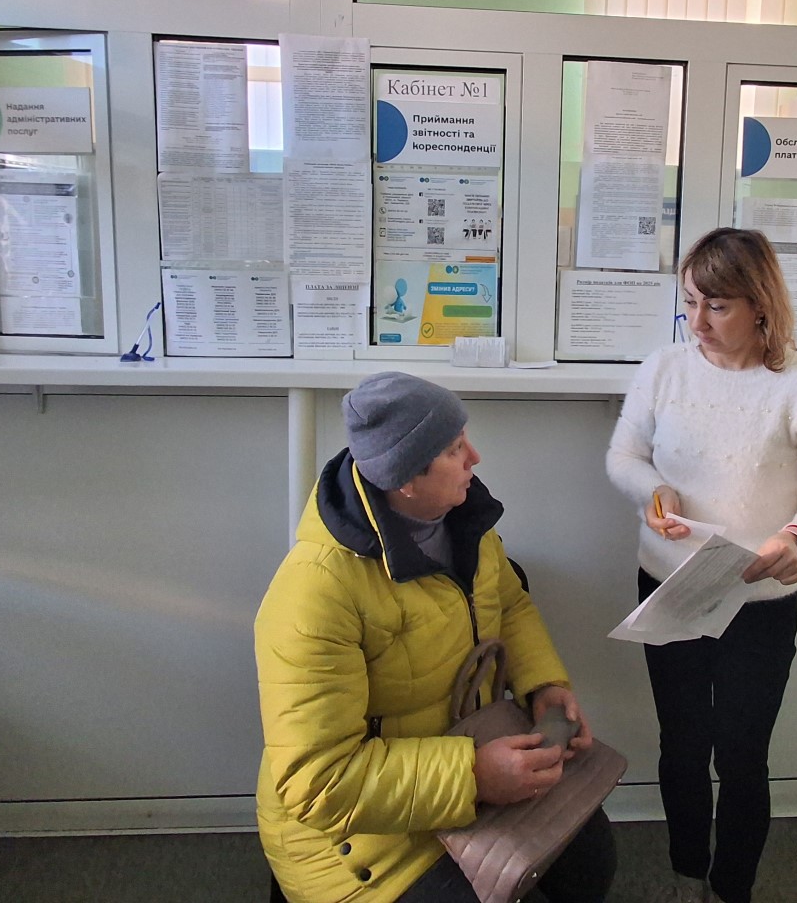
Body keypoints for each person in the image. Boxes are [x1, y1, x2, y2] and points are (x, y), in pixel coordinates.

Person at [255, 371, 616, 903]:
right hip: (362, 841)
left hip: (472, 751)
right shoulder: (314, 594)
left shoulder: (463, 522)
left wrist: (543, 685)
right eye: (453, 449)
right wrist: (473, 776)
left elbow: (509, 603)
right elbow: (318, 782)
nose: (475, 457)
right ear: (404, 477)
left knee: (593, 862)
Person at [605, 228, 797, 903]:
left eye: (716, 306)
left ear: (761, 305)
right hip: (674, 584)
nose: (697, 323)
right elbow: (624, 456)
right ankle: (689, 874)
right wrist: (653, 490)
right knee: (683, 743)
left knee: (743, 754)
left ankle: (731, 888)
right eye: (690, 303)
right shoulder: (665, 369)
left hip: (758, 598)